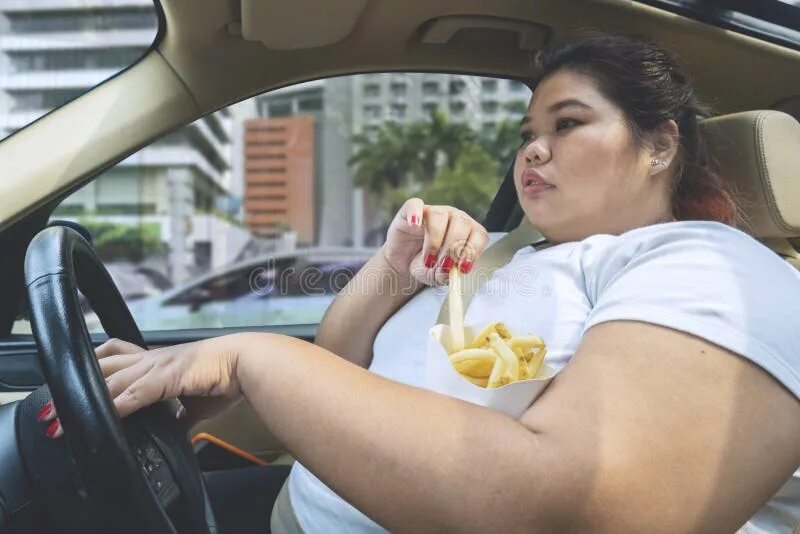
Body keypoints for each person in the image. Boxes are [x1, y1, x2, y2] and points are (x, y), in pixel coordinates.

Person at [39, 35, 800, 533]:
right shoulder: (512, 252)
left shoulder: (713, 270)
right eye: (527, 134)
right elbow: (341, 368)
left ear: (660, 144)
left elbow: (577, 512)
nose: (533, 152)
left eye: (568, 125)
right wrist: (393, 269)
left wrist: (250, 356)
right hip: (288, 510)